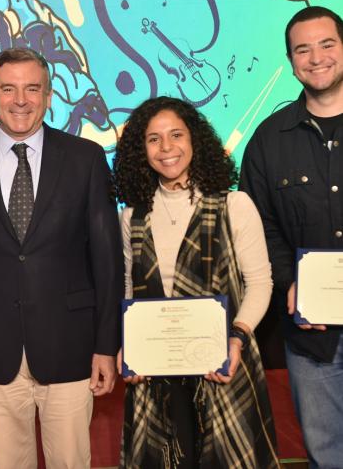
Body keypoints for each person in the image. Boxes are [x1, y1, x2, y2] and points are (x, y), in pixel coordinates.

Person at [0, 47, 123, 469]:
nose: (20, 99)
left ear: (50, 95)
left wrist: (106, 345)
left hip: (72, 348)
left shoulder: (86, 159)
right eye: (8, 89)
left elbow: (107, 261)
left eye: (32, 88)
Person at [114, 96, 279, 468]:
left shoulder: (233, 205)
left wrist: (237, 336)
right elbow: (129, 287)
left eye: (176, 135)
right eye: (153, 139)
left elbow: (260, 283)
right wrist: (128, 342)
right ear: (141, 150)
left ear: (195, 141)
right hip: (155, 371)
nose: (166, 147)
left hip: (222, 363)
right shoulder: (131, 216)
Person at [240, 5, 343, 468]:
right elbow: (258, 226)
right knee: (327, 453)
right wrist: (289, 280)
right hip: (312, 338)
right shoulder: (267, 140)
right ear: (290, 59)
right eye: (303, 49)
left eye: (327, 44)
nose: (316, 57)